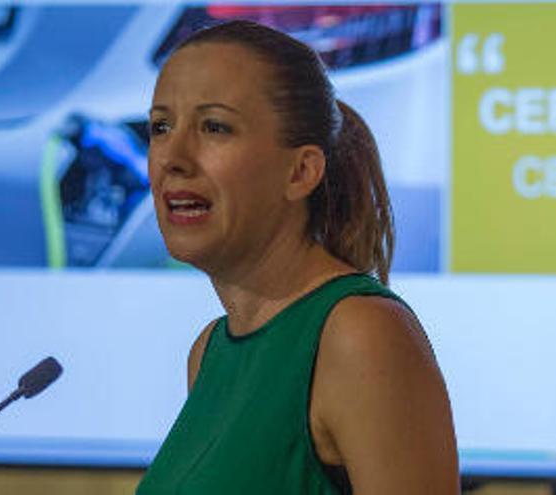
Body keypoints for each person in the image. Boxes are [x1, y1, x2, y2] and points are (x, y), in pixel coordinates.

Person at [135, 20, 459, 494]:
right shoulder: (210, 352)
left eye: (215, 127)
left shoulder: (359, 334)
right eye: (161, 126)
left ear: (301, 172)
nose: (172, 157)